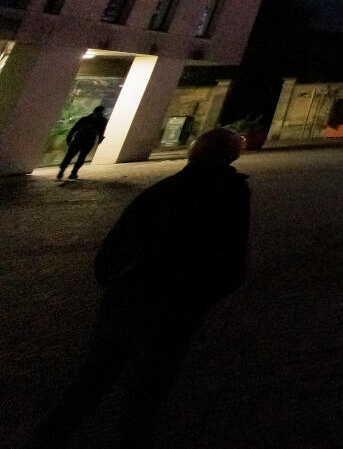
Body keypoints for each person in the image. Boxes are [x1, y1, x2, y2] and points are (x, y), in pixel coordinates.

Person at [28, 128, 249, 448]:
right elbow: (232, 259)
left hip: (128, 301)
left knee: (90, 381)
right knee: (149, 388)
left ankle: (46, 437)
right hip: (178, 308)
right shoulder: (231, 193)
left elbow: (110, 253)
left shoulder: (162, 190)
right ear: (231, 156)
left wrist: (120, 284)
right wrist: (201, 298)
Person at [57, 105, 108, 180]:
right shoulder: (102, 120)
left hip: (78, 139)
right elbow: (101, 131)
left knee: (69, 156)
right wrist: (99, 140)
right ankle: (73, 173)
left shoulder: (85, 119)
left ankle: (62, 170)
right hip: (89, 140)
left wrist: (69, 137)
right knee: (82, 157)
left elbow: (74, 128)